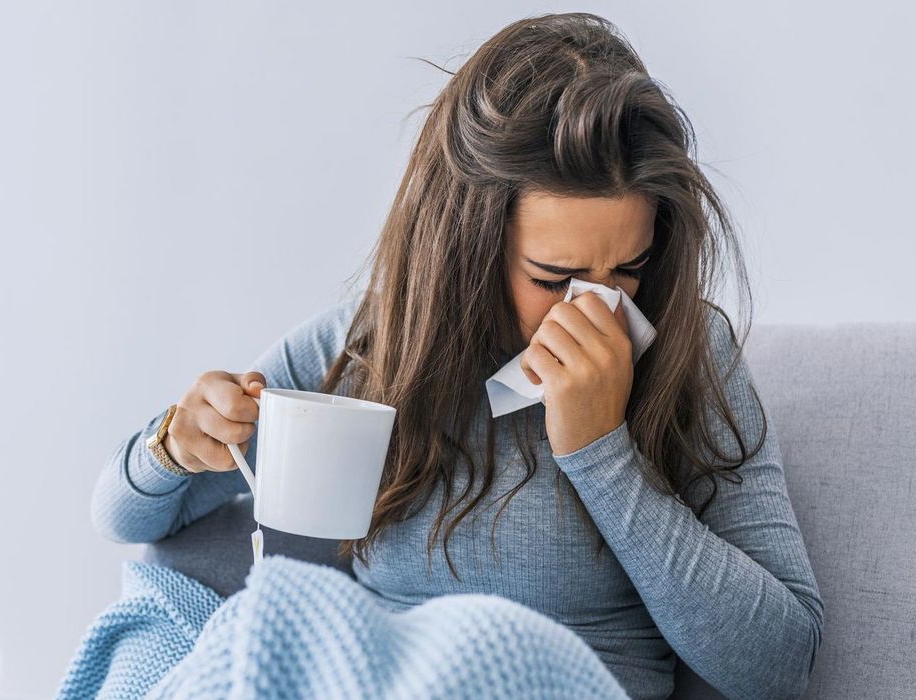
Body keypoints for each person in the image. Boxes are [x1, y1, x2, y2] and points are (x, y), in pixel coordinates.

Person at [91, 11, 823, 700]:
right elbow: (125, 518)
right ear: (466, 251)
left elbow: (778, 664)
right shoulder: (374, 346)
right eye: (552, 277)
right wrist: (175, 444)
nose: (596, 310)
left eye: (627, 268)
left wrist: (603, 453)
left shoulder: (689, 354)